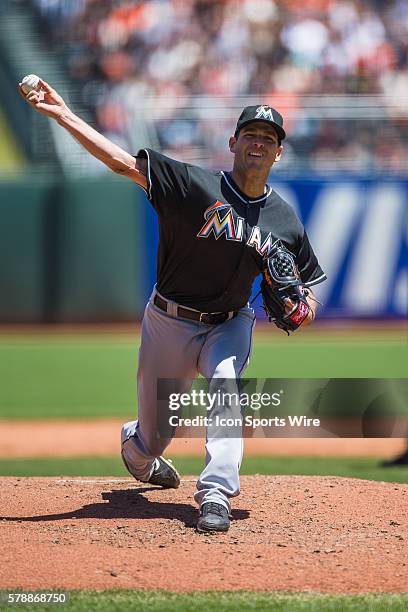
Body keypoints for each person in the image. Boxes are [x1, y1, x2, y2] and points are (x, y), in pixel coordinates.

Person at [20, 80, 326, 532]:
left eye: (269, 138)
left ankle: (216, 494)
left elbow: (309, 293)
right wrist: (63, 114)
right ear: (233, 142)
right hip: (169, 319)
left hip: (230, 323)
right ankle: (138, 450)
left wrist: (302, 310)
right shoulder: (191, 184)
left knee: (227, 385)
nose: (259, 143)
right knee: (156, 435)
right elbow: (121, 162)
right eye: (251, 134)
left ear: (278, 152)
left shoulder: (286, 220)